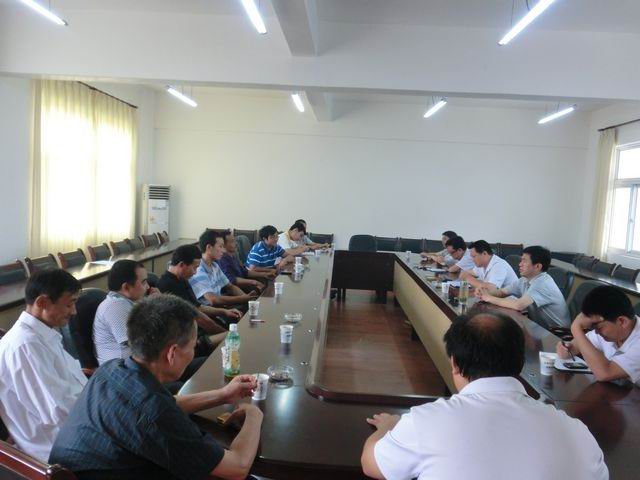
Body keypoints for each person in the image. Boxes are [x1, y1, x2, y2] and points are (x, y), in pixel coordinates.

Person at [361, 312, 608, 480]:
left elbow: (372, 465)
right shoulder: (576, 432)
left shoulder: (425, 421)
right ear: (521, 362)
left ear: (454, 363)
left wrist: (388, 427)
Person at [49, 294, 263, 480]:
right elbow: (238, 467)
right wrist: (254, 414)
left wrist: (224, 395)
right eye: (192, 346)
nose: (193, 352)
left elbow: (166, 405)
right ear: (172, 353)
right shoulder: (156, 412)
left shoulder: (110, 370)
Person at [0, 269, 86, 461]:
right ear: (42, 302)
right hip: (62, 449)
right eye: (69, 304)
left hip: (78, 430)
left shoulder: (42, 335)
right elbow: (60, 413)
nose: (74, 311)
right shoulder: (25, 346)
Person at [557, 286, 640, 385]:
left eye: (598, 327)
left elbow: (604, 373)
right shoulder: (609, 331)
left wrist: (576, 328)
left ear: (622, 321)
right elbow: (575, 347)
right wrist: (566, 349)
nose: (596, 332)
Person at [475, 246, 570, 329]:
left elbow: (519, 305)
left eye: (524, 261)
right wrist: (484, 293)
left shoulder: (542, 283)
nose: (520, 264)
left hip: (557, 332)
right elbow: (503, 292)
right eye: (521, 260)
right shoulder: (524, 280)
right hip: (539, 325)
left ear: (537, 266)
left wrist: (488, 298)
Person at [157, 244, 242, 328]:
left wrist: (224, 311)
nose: (195, 273)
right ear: (182, 265)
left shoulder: (182, 279)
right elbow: (198, 318)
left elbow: (198, 307)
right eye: (194, 268)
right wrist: (226, 333)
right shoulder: (167, 285)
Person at [93, 260, 159, 365]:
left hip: (134, 365)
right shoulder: (115, 306)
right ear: (126, 287)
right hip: (121, 369)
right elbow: (142, 343)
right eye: (143, 282)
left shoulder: (126, 302)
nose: (147, 287)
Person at [190, 229, 258, 308]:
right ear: (209, 247)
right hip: (210, 311)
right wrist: (242, 299)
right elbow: (212, 299)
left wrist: (246, 297)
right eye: (220, 246)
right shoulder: (198, 269)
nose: (223, 250)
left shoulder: (214, 265)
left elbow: (230, 286)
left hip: (220, 307)